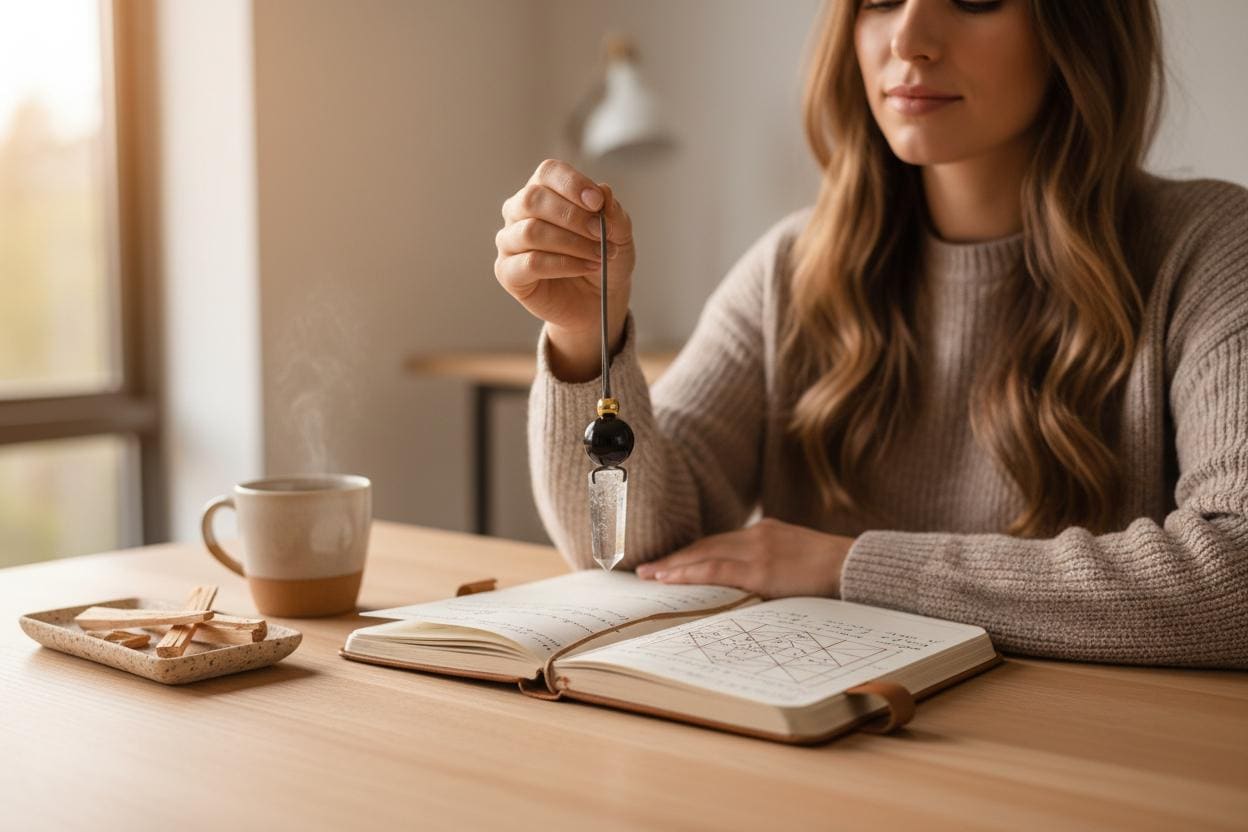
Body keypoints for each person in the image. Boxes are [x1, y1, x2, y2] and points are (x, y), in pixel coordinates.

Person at [492, 0, 1248, 668]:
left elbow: (1236, 574)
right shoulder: (792, 266)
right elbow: (631, 555)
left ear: (1079, 28)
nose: (910, 38)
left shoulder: (1210, 249)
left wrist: (852, 567)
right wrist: (583, 334)